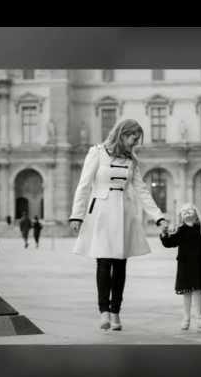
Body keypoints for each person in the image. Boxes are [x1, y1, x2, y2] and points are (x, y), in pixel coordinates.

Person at [69, 119, 169, 331]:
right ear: (123, 134)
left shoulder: (132, 160)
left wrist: (158, 216)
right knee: (104, 263)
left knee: (121, 266)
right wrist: (76, 216)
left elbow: (141, 189)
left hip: (124, 214)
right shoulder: (96, 152)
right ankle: (104, 311)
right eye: (133, 138)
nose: (135, 143)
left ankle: (116, 312)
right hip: (101, 214)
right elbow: (84, 185)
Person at [160, 203, 201, 330]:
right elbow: (169, 243)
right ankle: (186, 317)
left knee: (197, 290)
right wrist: (164, 233)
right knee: (186, 292)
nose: (187, 212)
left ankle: (199, 315)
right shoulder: (179, 231)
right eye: (184, 211)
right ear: (181, 217)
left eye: (190, 210)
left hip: (200, 264)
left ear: (196, 214)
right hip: (185, 265)